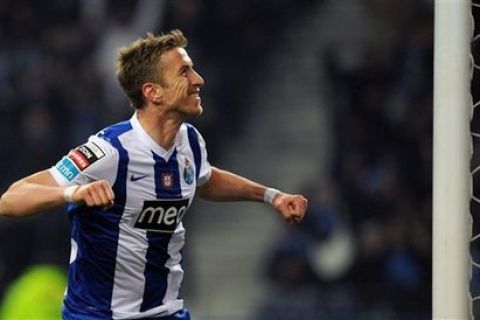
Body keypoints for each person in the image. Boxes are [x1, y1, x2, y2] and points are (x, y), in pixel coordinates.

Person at [0, 29, 308, 320]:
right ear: (153, 92)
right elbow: (11, 198)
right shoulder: (109, 151)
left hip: (165, 311)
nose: (198, 80)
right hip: (99, 315)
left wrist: (272, 196)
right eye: (184, 73)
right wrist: (72, 193)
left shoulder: (189, 142)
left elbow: (205, 178)